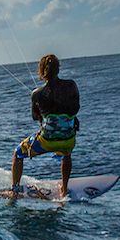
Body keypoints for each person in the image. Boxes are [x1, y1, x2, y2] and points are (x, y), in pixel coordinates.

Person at [11, 54, 80, 199]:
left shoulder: (36, 94)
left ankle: (15, 190)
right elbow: (75, 109)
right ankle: (64, 189)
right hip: (68, 140)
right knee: (66, 155)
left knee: (17, 153)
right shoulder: (71, 85)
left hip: (46, 140)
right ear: (58, 69)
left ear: (42, 71)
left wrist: (41, 109)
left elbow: (35, 117)